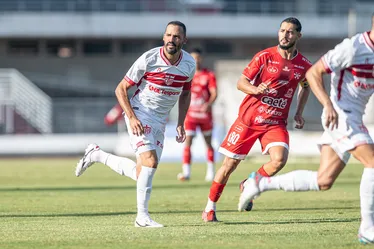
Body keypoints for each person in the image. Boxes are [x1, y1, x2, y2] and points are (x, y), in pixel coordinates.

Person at [238, 14, 374, 244]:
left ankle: (260, 183)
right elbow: (313, 73)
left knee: (324, 180)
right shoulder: (354, 47)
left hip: (351, 117)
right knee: (373, 162)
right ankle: (367, 227)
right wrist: (328, 105)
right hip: (340, 115)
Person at [75, 21, 196, 228]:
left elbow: (185, 93)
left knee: (142, 173)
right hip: (140, 113)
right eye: (168, 35)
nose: (171, 40)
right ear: (163, 37)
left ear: (184, 40)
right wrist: (132, 117)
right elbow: (121, 89)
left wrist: (180, 122)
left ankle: (97, 154)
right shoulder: (149, 58)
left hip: (161, 119)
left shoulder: (189, 64)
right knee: (150, 162)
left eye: (176, 36)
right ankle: (142, 217)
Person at [202, 17, 311, 222]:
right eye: (282, 31)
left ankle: (250, 183)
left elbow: (306, 86)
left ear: (298, 36)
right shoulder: (264, 56)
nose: (285, 35)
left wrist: (298, 112)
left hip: (275, 123)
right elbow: (241, 82)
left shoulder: (304, 65)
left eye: (290, 32)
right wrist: (255, 89)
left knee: (279, 159)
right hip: (248, 120)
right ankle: (210, 207)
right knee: (229, 165)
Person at [177, 48, 218, 182]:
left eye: (198, 58)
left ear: (202, 59)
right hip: (191, 116)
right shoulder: (186, 74)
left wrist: (209, 104)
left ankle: (211, 172)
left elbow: (214, 93)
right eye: (193, 58)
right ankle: (186, 172)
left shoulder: (209, 75)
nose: (196, 60)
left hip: (205, 116)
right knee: (188, 142)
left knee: (208, 143)